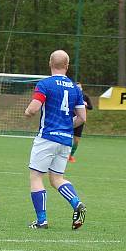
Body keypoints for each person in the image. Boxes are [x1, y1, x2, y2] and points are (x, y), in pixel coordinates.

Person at [24, 50, 87, 229]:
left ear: (50, 63)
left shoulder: (45, 84)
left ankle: (41, 220)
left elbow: (34, 108)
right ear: (67, 66)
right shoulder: (75, 88)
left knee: (36, 176)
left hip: (47, 137)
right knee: (57, 178)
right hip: (66, 140)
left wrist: (27, 113)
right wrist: (67, 127)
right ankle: (76, 203)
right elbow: (82, 117)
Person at [69, 82, 93, 162]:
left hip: (80, 120)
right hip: (70, 119)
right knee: (67, 137)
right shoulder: (71, 95)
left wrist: (86, 104)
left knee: (76, 140)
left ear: (82, 88)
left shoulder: (85, 96)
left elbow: (91, 107)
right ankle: (64, 154)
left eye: (80, 87)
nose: (78, 89)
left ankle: (71, 155)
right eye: (77, 87)